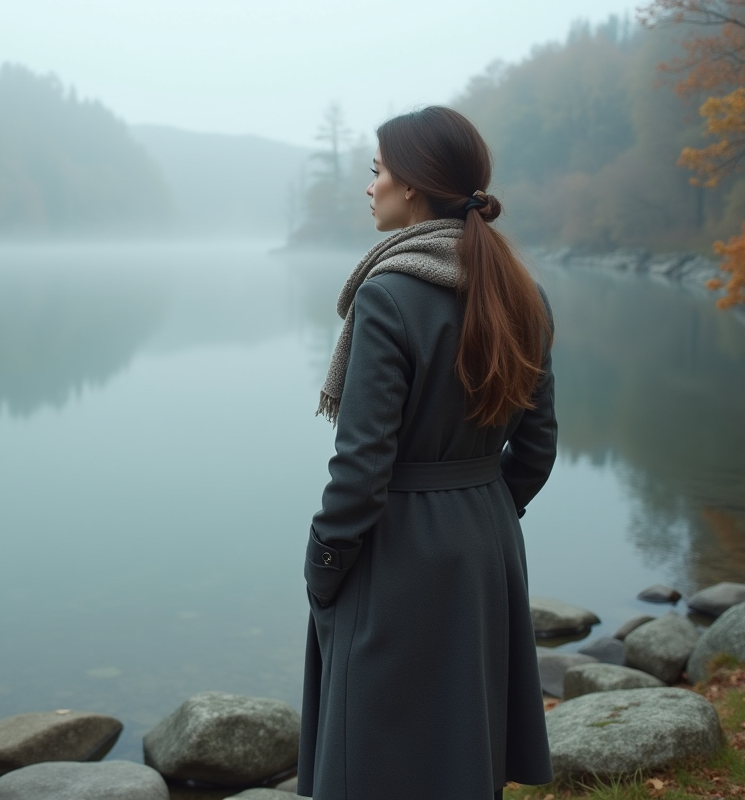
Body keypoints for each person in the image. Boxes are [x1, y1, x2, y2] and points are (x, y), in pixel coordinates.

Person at [297, 106, 556, 800]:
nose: (370, 186)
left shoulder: (387, 295)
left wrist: (323, 562)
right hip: (487, 544)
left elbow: (361, 469)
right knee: (461, 749)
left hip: (398, 550)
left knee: (372, 758)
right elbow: (537, 447)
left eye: (377, 171)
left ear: (411, 186)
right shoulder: (522, 292)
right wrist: (482, 509)